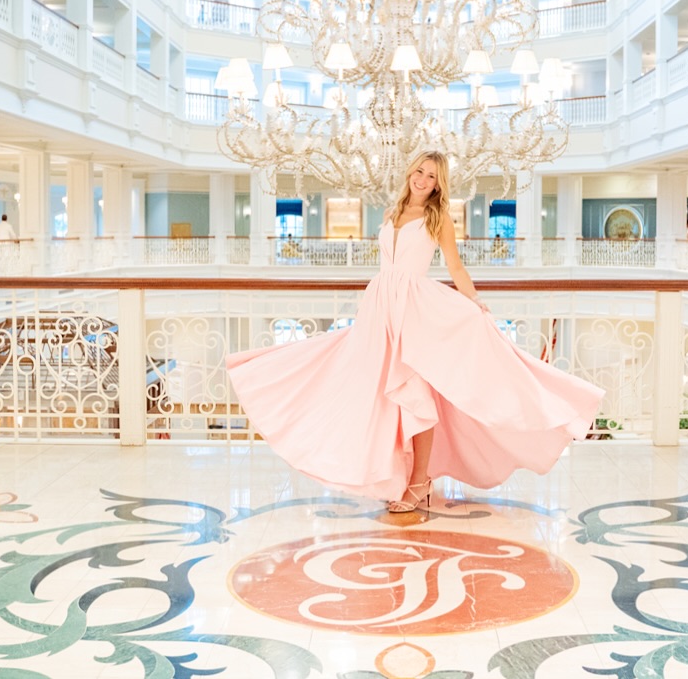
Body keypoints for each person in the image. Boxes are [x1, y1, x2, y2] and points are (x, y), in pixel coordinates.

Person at [225, 151, 601, 513]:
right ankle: (395, 474)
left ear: (440, 185)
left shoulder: (438, 218)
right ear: (410, 173)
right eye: (419, 172)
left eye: (432, 176)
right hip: (380, 306)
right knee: (372, 389)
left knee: (415, 391)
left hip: (414, 307)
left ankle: (419, 482)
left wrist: (474, 301)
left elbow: (455, 267)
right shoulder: (392, 212)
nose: (423, 180)